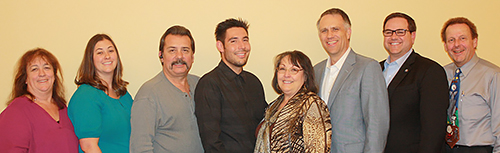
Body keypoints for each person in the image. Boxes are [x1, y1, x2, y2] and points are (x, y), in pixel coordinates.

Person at [313, 8, 390, 153]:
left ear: (348, 33)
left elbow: (377, 124)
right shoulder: (316, 70)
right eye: (324, 31)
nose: (329, 35)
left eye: (335, 29)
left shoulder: (367, 67)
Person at [195, 18, 268, 153]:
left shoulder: (254, 82)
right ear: (220, 46)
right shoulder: (209, 84)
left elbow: (266, 123)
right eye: (233, 41)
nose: (242, 46)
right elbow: (211, 142)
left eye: (245, 40)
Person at [380, 12, 448, 153]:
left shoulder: (429, 71)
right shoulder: (375, 69)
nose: (393, 37)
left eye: (400, 32)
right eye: (388, 32)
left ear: (413, 36)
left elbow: (434, 130)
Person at [130, 25, 204, 153]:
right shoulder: (148, 94)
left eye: (185, 50)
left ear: (192, 56)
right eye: (172, 50)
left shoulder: (200, 85)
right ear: (161, 56)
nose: (179, 56)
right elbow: (140, 147)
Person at [0, 48, 78, 152]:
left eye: (46, 67)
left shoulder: (63, 109)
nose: (42, 73)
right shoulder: (15, 112)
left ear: (54, 75)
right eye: (34, 69)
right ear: (25, 79)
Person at [441, 17, 500, 153]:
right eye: (451, 40)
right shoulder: (441, 74)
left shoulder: (493, 76)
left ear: (474, 41)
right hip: (446, 148)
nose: (457, 45)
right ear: (445, 46)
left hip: (478, 149)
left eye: (463, 38)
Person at [254, 50, 332, 153]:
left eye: (294, 70)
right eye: (282, 69)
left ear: (305, 76)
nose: (286, 74)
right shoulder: (273, 106)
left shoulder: (312, 105)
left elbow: (318, 149)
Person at [68, 34, 133, 153]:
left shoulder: (124, 94)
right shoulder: (86, 96)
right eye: (100, 53)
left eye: (110, 51)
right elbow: (88, 147)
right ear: (90, 59)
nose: (107, 56)